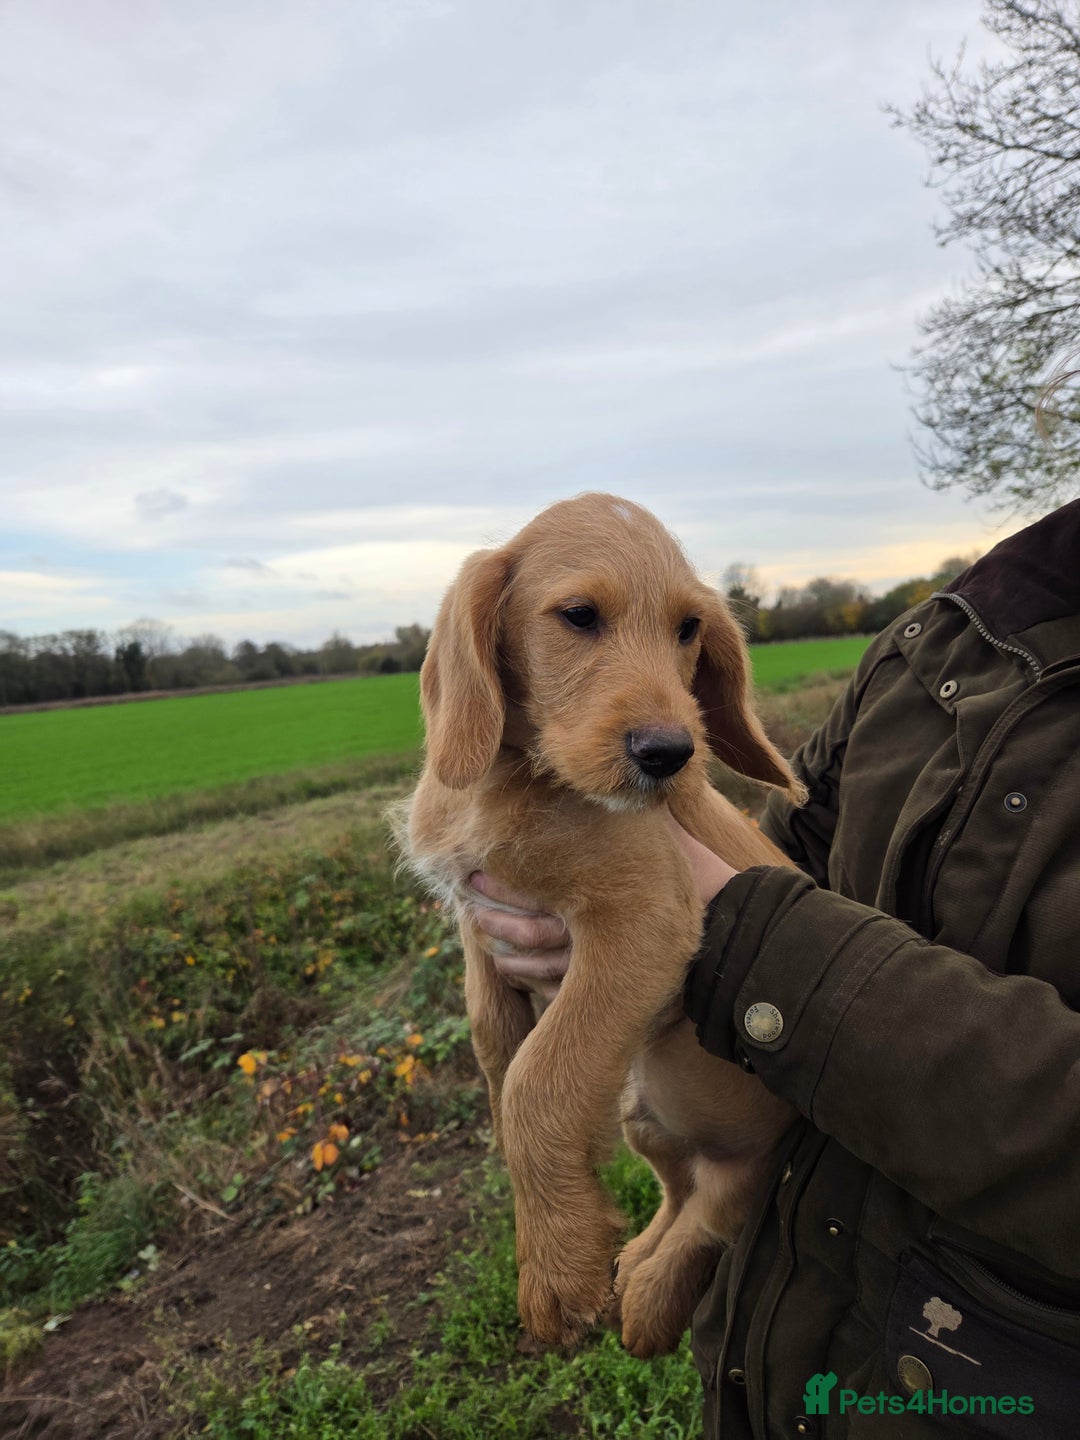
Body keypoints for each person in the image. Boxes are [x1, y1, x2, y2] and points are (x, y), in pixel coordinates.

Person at [468, 499, 1080, 1439]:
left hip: (971, 1367)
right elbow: (800, 838)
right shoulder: (965, 622)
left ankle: (713, 1206)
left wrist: (739, 943)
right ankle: (690, 1202)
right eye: (581, 618)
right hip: (784, 1318)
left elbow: (732, 907)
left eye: (685, 633)